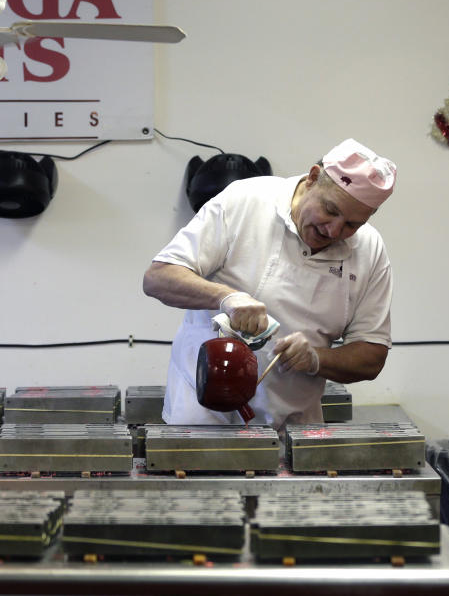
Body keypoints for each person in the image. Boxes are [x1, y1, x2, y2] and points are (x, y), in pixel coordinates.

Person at [142, 138, 397, 429]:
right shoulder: (245, 202)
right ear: (313, 178)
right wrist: (227, 297)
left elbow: (371, 356)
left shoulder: (369, 249)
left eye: (352, 224)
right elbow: (158, 277)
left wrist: (316, 358)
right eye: (330, 210)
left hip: (295, 430)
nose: (334, 230)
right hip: (204, 420)